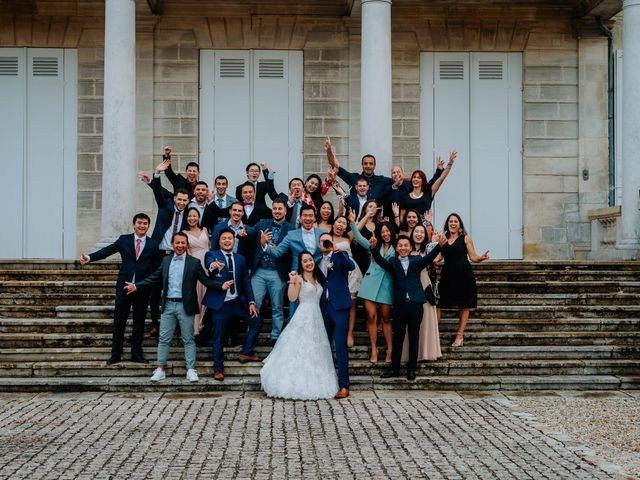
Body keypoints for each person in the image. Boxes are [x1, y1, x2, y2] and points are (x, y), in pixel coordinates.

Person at [124, 232, 223, 383]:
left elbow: (206, 281)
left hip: (186, 305)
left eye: (183, 243)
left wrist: (221, 285)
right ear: (172, 243)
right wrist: (137, 286)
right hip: (168, 304)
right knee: (164, 339)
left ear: (187, 244)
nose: (180, 245)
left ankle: (190, 369)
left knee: (189, 339)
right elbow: (154, 278)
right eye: (177, 242)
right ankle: (160, 369)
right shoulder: (166, 260)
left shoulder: (194, 262)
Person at [79, 213, 160, 365]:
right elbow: (107, 251)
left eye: (145, 224)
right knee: (119, 321)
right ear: (134, 225)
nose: (142, 226)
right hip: (123, 287)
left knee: (139, 322)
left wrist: (149, 285)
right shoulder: (124, 240)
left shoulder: (153, 244)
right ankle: (115, 354)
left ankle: (136, 353)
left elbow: (156, 269)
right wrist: (89, 257)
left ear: (148, 226)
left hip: (141, 289)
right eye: (139, 223)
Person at [260, 252, 339, 400]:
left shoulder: (317, 278)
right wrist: (291, 281)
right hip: (303, 315)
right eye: (305, 261)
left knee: (316, 349)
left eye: (310, 260)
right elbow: (292, 298)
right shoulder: (298, 278)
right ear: (301, 264)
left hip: (317, 317)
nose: (309, 263)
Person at [369, 233, 445, 380]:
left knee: (414, 336)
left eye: (406, 245)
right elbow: (380, 261)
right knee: (398, 337)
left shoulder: (417, 260)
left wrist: (440, 246)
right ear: (396, 248)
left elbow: (429, 259)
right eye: (400, 245)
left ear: (410, 248)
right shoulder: (393, 262)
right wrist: (373, 248)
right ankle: (394, 368)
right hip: (399, 305)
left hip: (416, 304)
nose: (403, 248)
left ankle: (411, 369)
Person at [203, 228, 260, 381]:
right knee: (219, 337)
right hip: (221, 304)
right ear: (219, 241)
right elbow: (209, 265)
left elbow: (246, 282)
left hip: (237, 302)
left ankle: (246, 352)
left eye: (230, 238)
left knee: (256, 322)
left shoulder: (240, 259)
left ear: (234, 241)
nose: (227, 241)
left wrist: (251, 302)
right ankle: (218, 369)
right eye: (224, 239)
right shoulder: (212, 255)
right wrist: (213, 266)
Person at [261, 204, 325, 320]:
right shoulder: (291, 235)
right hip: (298, 275)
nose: (308, 218)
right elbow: (278, 252)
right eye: (305, 216)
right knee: (295, 305)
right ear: (300, 218)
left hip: (318, 275)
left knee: (320, 304)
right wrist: (264, 245)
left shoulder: (322, 233)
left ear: (315, 218)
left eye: (311, 216)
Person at [436, 213, 489, 348]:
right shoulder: (443, 240)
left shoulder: (465, 238)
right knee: (439, 304)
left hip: (464, 275)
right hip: (447, 276)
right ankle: (434, 333)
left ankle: (459, 335)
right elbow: (437, 258)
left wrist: (481, 258)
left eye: (455, 221)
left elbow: (473, 257)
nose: (453, 223)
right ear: (447, 224)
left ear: (459, 224)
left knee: (464, 304)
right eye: (450, 221)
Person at [349, 211, 396, 363]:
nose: (385, 234)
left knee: (386, 318)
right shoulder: (374, 245)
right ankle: (374, 348)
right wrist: (352, 223)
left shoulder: (398, 246)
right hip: (370, 284)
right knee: (371, 317)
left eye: (387, 231)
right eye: (383, 232)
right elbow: (358, 238)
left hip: (387, 286)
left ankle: (390, 349)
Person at [246, 198, 292, 345]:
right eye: (275, 208)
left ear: (285, 210)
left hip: (277, 272)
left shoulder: (291, 229)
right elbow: (250, 231)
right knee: (255, 304)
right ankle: (251, 335)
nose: (277, 211)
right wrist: (242, 230)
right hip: (259, 271)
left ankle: (275, 336)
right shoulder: (262, 223)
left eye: (280, 209)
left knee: (277, 306)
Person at [318, 232, 355, 399]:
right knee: (324, 348)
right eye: (322, 242)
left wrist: (336, 250)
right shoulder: (317, 260)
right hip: (323, 307)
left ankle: (344, 386)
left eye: (328, 241)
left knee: (340, 347)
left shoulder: (341, 255)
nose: (325, 244)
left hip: (339, 306)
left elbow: (351, 267)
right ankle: (324, 383)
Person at [401, 224, 442, 362]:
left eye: (422, 232)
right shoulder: (406, 248)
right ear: (411, 234)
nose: (419, 234)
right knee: (411, 323)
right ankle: (412, 354)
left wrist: (432, 230)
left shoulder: (429, 248)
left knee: (426, 319)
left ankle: (426, 352)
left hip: (424, 285)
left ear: (425, 235)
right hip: (408, 288)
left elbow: (436, 255)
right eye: (416, 231)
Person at [329, 215, 363, 351]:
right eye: (338, 222)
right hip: (335, 273)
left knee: (352, 305)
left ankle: (350, 334)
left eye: (344, 223)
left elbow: (357, 227)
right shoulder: (326, 237)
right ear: (333, 224)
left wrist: (364, 216)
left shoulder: (348, 238)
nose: (341, 224)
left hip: (351, 273)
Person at [324, 137, 392, 200]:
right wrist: (329, 151)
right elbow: (335, 167)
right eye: (365, 163)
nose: (368, 166)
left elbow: (398, 182)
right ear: (362, 165)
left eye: (371, 164)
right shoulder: (353, 178)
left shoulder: (382, 180)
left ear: (374, 166)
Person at [398, 151, 456, 222]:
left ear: (423, 181)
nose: (416, 179)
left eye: (419, 178)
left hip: (425, 229)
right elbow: (401, 218)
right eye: (414, 177)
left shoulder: (428, 193)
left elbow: (441, 178)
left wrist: (450, 163)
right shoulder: (405, 197)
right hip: (410, 229)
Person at [183, 207, 210, 334]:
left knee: (207, 296)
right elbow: (186, 252)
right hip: (195, 266)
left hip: (208, 266)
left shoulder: (204, 229)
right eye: (189, 216)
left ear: (198, 217)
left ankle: (205, 324)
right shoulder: (184, 232)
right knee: (197, 296)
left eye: (194, 216)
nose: (192, 218)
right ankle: (195, 328)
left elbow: (209, 246)